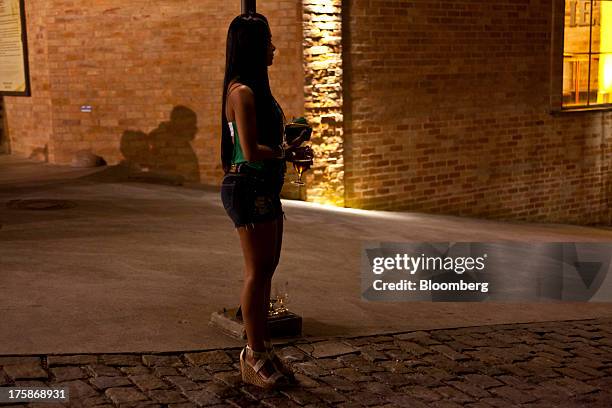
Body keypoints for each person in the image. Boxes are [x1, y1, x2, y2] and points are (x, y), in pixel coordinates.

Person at [220, 12, 307, 389]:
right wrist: (286, 154)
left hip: (266, 189)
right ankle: (253, 353)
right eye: (268, 40)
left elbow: (266, 144)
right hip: (248, 188)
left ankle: (264, 347)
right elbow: (249, 150)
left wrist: (291, 145)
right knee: (256, 273)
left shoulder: (259, 91)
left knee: (268, 269)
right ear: (253, 47)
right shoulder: (241, 92)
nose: (274, 47)